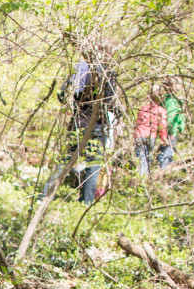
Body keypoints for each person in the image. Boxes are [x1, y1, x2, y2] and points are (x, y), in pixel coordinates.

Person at [51, 39, 121, 204]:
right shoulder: (107, 72)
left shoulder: (80, 68)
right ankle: (86, 201)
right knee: (93, 164)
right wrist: (117, 115)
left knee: (65, 159)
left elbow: (62, 94)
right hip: (97, 124)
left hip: (78, 121)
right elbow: (111, 101)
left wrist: (76, 104)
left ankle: (46, 194)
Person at [133, 85, 168, 178]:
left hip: (139, 135)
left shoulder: (143, 108)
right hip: (149, 136)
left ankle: (141, 179)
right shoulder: (160, 110)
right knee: (146, 158)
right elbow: (162, 126)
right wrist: (163, 138)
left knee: (141, 159)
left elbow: (138, 122)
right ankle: (143, 180)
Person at [157, 81, 185, 169]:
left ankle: (166, 168)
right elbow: (170, 117)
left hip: (171, 130)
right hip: (170, 131)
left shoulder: (173, 100)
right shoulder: (171, 101)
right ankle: (163, 170)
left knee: (170, 151)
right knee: (167, 152)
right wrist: (171, 131)